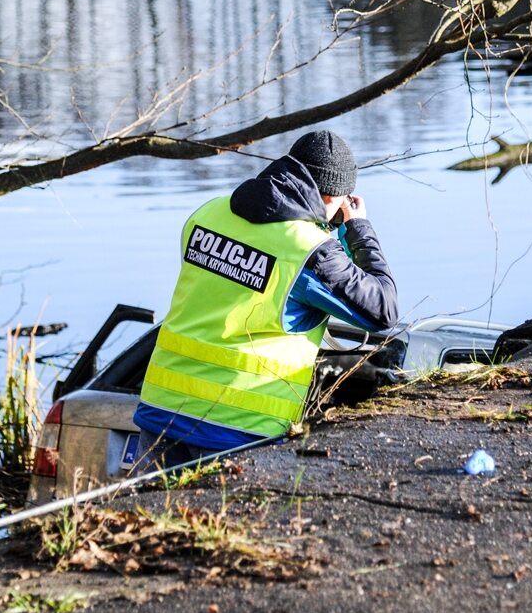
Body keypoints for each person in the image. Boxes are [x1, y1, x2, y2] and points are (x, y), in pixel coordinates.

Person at [133, 130, 398, 468]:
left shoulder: (208, 214)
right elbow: (383, 310)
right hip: (236, 427)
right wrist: (358, 228)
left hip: (162, 408)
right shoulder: (308, 250)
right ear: (333, 197)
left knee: (157, 518)